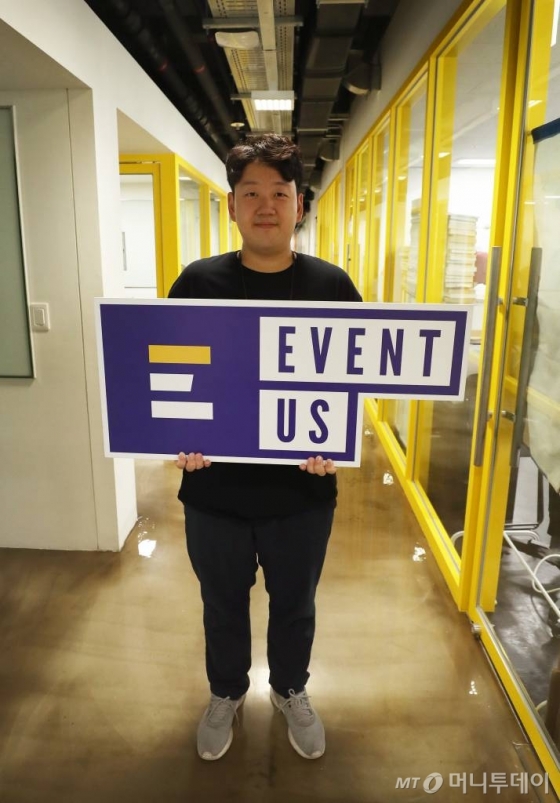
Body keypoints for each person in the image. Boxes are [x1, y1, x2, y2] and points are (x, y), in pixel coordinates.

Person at [168, 133, 361, 761]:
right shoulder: (198, 282)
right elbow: (172, 376)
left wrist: (335, 441)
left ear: (299, 204)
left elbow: (351, 384)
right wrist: (178, 438)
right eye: (251, 193)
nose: (266, 206)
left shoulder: (332, 285)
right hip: (214, 490)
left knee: (295, 605)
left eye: (279, 193)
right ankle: (226, 692)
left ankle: (289, 688)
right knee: (221, 604)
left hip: (301, 491)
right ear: (232, 205)